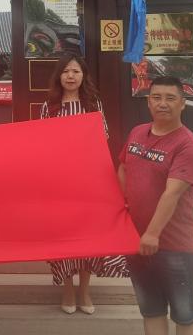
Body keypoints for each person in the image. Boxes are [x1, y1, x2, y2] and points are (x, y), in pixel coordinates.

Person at [40, 54, 127, 315]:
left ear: (83, 76)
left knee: (89, 234)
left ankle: (85, 290)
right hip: (59, 182)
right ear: (59, 76)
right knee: (64, 234)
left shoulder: (92, 104)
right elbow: (41, 142)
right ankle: (67, 289)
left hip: (89, 181)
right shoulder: (49, 106)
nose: (70, 76)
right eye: (66, 71)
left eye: (76, 71)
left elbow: (102, 139)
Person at [119, 75, 193, 335]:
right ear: (148, 102)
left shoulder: (187, 144)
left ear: (182, 103)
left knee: (184, 314)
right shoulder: (137, 132)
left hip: (173, 245)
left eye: (170, 98)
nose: (162, 103)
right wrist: (122, 205)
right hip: (136, 242)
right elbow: (123, 167)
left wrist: (152, 233)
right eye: (156, 97)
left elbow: (172, 193)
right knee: (151, 310)